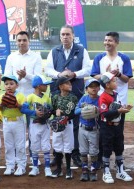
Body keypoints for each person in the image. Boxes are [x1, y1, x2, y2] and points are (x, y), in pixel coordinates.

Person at [46, 25, 91, 167]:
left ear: (73, 36)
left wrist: (74, 74)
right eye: (62, 34)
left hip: (75, 91)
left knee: (76, 124)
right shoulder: (54, 51)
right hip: (57, 93)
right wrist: (60, 75)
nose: (65, 37)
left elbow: (88, 69)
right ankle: (57, 155)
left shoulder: (82, 50)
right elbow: (48, 69)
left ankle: (75, 154)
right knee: (58, 122)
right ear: (60, 36)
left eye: (67, 34)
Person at [90, 31, 133, 168]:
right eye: (105, 40)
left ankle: (118, 161)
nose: (106, 43)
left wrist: (118, 74)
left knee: (118, 131)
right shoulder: (99, 58)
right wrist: (106, 75)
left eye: (110, 41)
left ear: (116, 42)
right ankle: (102, 159)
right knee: (103, 130)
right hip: (104, 99)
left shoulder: (124, 58)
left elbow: (127, 79)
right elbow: (94, 75)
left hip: (120, 98)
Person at [4, 31, 43, 166]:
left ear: (29, 41)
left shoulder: (36, 57)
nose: (21, 42)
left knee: (33, 130)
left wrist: (26, 75)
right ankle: (16, 158)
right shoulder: (11, 57)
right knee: (15, 131)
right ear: (16, 42)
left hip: (31, 99)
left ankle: (33, 156)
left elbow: (39, 78)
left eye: (24, 40)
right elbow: (7, 77)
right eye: (19, 40)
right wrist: (17, 79)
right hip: (14, 100)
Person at [98, 72, 133, 184]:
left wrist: (124, 109)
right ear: (107, 85)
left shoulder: (115, 94)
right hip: (107, 127)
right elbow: (105, 114)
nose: (116, 81)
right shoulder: (103, 97)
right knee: (107, 148)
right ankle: (106, 171)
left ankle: (120, 170)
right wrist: (119, 111)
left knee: (119, 147)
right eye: (113, 81)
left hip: (117, 126)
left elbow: (117, 109)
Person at [21, 75, 52, 177]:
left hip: (45, 125)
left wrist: (48, 113)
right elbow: (23, 109)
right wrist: (34, 112)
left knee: (46, 146)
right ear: (39, 86)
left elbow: (51, 109)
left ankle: (47, 168)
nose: (47, 86)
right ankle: (35, 168)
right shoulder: (30, 97)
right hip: (34, 125)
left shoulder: (47, 97)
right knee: (34, 145)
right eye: (45, 85)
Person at [0, 75, 27, 176]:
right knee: (8, 145)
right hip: (6, 122)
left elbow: (24, 109)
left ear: (17, 85)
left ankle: (21, 166)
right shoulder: (1, 96)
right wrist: (2, 105)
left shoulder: (20, 96)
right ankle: (10, 165)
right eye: (6, 84)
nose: (8, 86)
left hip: (18, 121)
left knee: (20, 145)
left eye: (11, 84)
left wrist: (16, 104)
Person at [51, 77, 78, 179]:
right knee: (57, 145)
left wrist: (66, 118)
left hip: (68, 124)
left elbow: (74, 113)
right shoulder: (55, 97)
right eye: (67, 83)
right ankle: (58, 168)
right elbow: (52, 110)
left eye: (70, 83)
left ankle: (68, 169)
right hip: (57, 125)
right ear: (61, 86)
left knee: (68, 146)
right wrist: (55, 111)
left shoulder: (73, 98)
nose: (70, 84)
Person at [74, 79, 100, 181]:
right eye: (91, 86)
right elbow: (76, 111)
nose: (94, 88)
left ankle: (93, 170)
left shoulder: (100, 99)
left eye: (96, 86)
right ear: (86, 89)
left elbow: (103, 111)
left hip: (94, 129)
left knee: (93, 151)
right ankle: (84, 170)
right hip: (83, 128)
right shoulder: (84, 99)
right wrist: (84, 109)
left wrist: (97, 110)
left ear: (99, 88)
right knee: (83, 151)